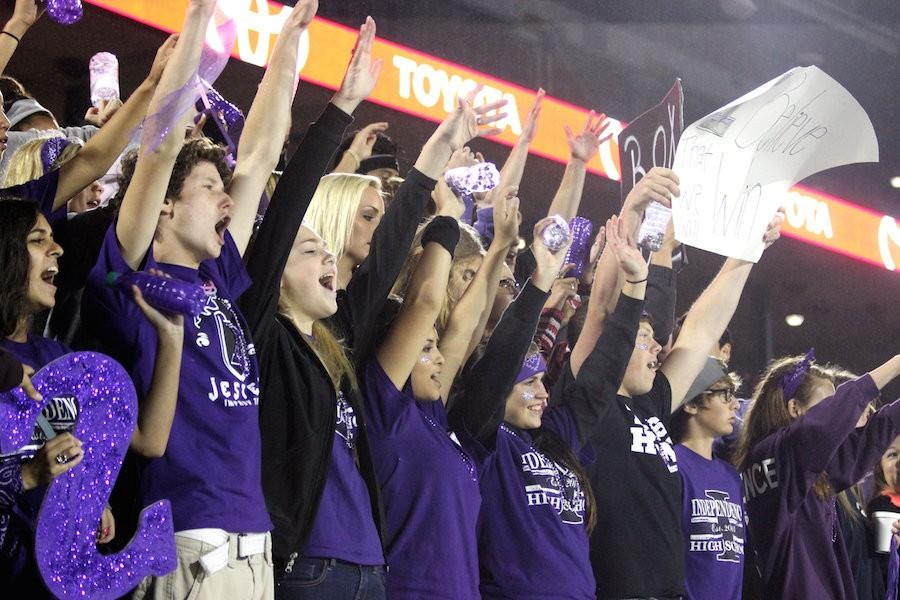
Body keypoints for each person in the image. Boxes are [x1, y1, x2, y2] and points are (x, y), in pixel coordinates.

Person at [82, 0, 301, 595]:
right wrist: (198, 26)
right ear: (166, 208)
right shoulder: (129, 281)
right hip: (191, 539)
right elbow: (157, 149)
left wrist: (289, 48)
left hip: (254, 542)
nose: (227, 200)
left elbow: (258, 156)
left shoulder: (219, 277)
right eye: (209, 187)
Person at [0, 199, 183, 596]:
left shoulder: (59, 358)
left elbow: (149, 440)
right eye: (37, 239)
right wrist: (29, 475)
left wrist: (172, 339)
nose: (58, 249)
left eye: (53, 238)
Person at [737, 352, 900, 599]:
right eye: (829, 405)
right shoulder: (776, 453)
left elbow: (871, 436)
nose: (838, 415)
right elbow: (832, 419)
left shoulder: (800, 463)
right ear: (795, 408)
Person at [668, 357, 745, 600]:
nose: (734, 405)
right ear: (691, 404)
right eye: (724, 394)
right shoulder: (671, 465)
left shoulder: (732, 476)